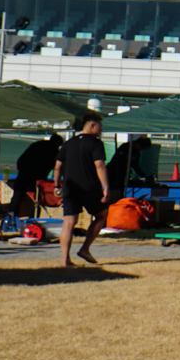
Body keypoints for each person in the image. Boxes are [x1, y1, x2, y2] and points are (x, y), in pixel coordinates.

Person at [57, 113, 112, 267]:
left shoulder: (68, 143)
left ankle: (65, 260)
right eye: (100, 127)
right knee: (101, 216)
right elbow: (99, 165)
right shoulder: (96, 144)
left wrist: (56, 185)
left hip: (69, 187)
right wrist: (106, 186)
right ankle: (85, 248)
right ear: (92, 126)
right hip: (89, 186)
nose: (101, 131)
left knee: (68, 224)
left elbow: (57, 167)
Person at [10, 133, 63, 218]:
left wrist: (22, 170)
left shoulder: (37, 144)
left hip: (24, 173)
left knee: (17, 195)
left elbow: (21, 160)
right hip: (37, 177)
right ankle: (33, 218)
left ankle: (10, 218)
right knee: (36, 199)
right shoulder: (53, 150)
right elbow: (56, 167)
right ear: (57, 142)